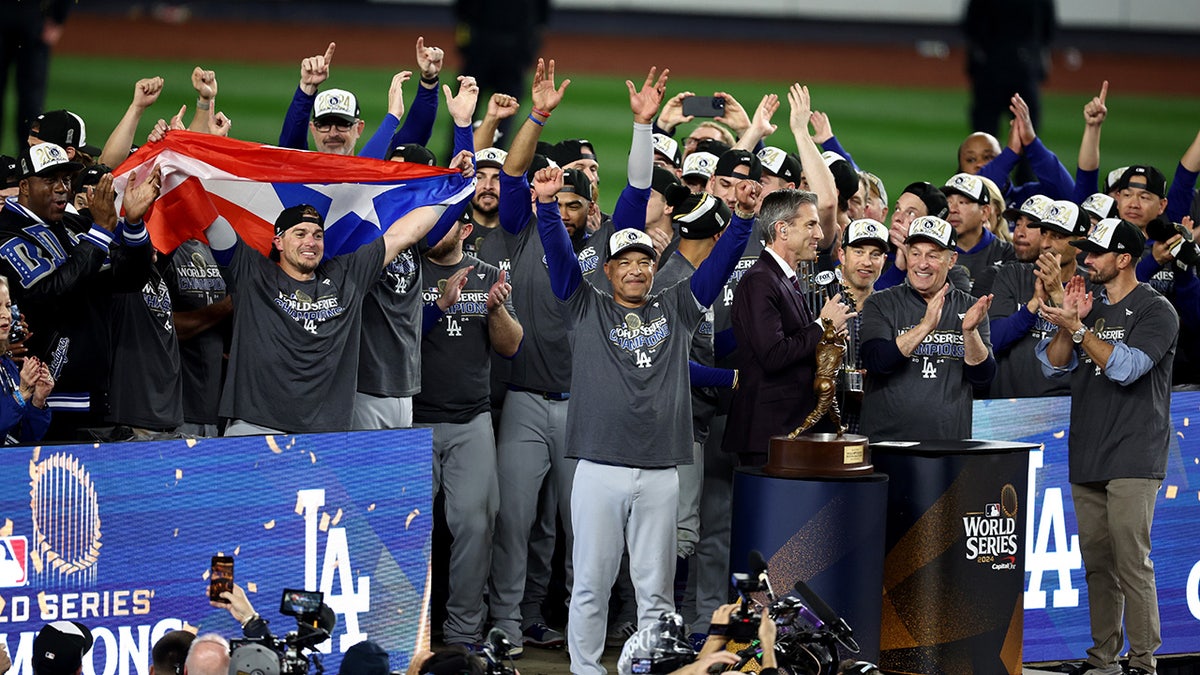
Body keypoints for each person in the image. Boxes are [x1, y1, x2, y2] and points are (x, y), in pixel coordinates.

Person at [532, 139, 756, 675]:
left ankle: (651, 669)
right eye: (624, 263)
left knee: (655, 591)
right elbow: (560, 262)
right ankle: (586, 671)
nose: (635, 270)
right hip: (599, 467)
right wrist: (545, 209)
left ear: (655, 267)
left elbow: (717, 268)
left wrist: (744, 221)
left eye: (644, 261)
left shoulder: (677, 305)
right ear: (607, 271)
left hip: (660, 470)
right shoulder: (585, 306)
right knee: (591, 583)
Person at [208, 177, 472, 435]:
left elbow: (404, 235)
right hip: (256, 428)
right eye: (300, 234)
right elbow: (210, 221)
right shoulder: (253, 273)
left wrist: (453, 186)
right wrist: (183, 166)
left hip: (324, 436)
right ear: (278, 241)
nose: (310, 242)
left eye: (318, 235)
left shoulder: (347, 275)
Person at [1036, 217, 1177, 675]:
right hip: (1088, 450)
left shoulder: (1156, 310)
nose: (1087, 260)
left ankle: (1143, 662)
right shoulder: (1088, 307)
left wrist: (1079, 330)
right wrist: (1067, 324)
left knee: (1131, 562)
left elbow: (1127, 369)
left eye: (1097, 253)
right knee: (1098, 563)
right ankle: (1104, 661)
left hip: (1135, 453)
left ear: (1125, 259)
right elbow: (1052, 368)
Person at [0, 143, 160, 441]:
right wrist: (100, 232)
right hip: (40, 398)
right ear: (24, 186)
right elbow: (49, 293)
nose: (62, 188)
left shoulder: (76, 225)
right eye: (50, 180)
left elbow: (130, 278)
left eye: (66, 179)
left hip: (93, 392)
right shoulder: (7, 234)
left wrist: (134, 223)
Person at [414, 210, 522, 651]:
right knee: (409, 527)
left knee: (476, 526)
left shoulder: (490, 275)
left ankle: (463, 632)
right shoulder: (408, 268)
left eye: (448, 224)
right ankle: (409, 629)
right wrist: (439, 304)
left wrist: (495, 309)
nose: (437, 232)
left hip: (470, 418)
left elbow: (510, 345)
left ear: (466, 229)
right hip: (413, 418)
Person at [723, 189, 855, 465]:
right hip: (768, 433)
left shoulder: (782, 278)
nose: (819, 234)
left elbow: (795, 344)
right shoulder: (760, 280)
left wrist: (827, 337)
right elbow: (773, 355)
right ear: (782, 229)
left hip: (785, 429)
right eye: (810, 224)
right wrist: (822, 325)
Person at [859, 215, 995, 441]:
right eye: (915, 254)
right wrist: (925, 327)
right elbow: (876, 361)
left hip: (949, 443)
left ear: (951, 260)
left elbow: (983, 379)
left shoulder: (971, 307)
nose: (922, 264)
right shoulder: (880, 302)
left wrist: (970, 333)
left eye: (933, 255)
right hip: (887, 443)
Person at [987, 200, 1091, 398]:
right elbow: (992, 341)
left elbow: (1091, 350)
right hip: (1006, 405)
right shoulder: (1012, 275)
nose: (1045, 244)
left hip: (1066, 404)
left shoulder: (1091, 286)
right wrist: (1033, 304)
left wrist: (1058, 294)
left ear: (1079, 244)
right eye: (1044, 233)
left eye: (1057, 236)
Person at [963, 0, 1055, 137]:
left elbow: (970, 26)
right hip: (1024, 65)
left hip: (990, 66)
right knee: (1026, 135)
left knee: (986, 135)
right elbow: (1048, 30)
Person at [0, 2, 70, 152]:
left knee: (31, 100)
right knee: (31, 99)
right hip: (34, 19)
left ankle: (30, 156)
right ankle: (30, 160)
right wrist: (58, 17)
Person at [0, 275, 52, 444]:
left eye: (8, 306)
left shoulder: (7, 364)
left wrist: (37, 401)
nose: (6, 314)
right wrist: (21, 394)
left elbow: (25, 441)